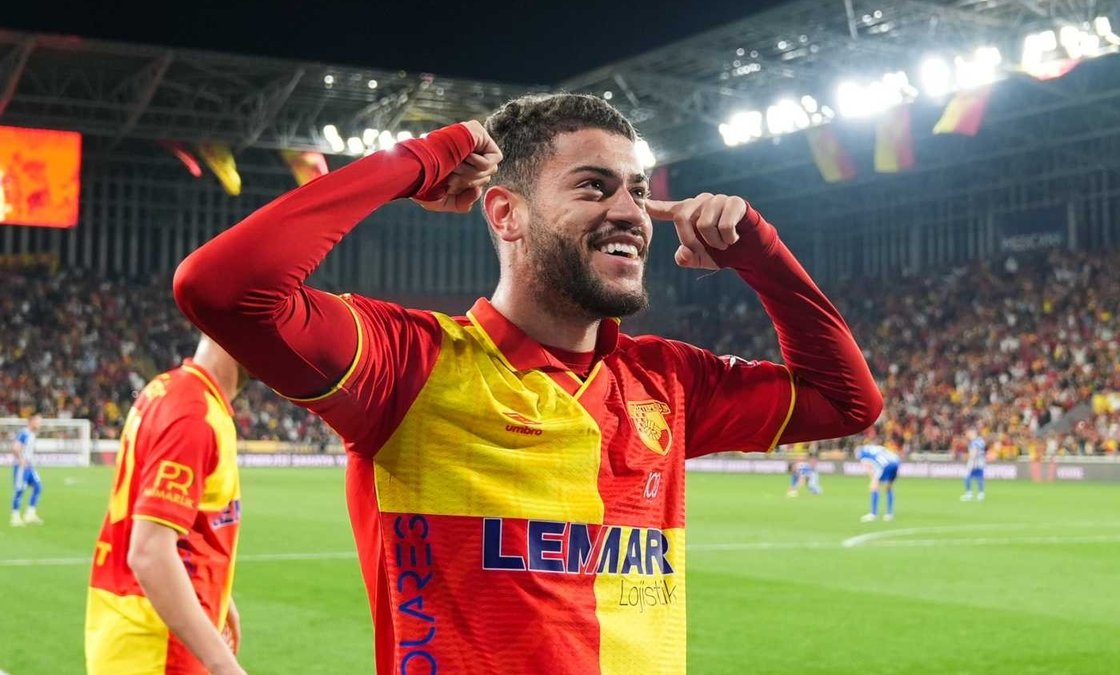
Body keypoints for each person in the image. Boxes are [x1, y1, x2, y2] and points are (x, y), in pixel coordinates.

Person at [174, 93, 882, 674]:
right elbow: (221, 289)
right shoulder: (411, 365)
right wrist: (418, 159)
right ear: (506, 213)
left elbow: (846, 401)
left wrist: (758, 251)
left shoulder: (667, 380)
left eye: (638, 191)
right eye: (593, 186)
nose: (631, 213)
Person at [85, 336, 250, 675]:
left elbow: (187, 527)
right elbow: (149, 552)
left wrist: (220, 597)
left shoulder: (169, 389)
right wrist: (225, 666)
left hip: (135, 630)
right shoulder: (193, 414)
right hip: (158, 647)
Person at [10, 412, 43, 526]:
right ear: (32, 421)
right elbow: (15, 448)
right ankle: (15, 517)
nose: (40, 423)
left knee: (38, 487)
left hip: (29, 467)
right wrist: (21, 460)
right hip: (21, 467)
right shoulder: (24, 433)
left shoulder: (32, 434)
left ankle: (30, 514)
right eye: (38, 421)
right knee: (19, 490)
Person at [855, 442, 901, 522]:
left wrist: (873, 479)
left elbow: (868, 467)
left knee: (873, 487)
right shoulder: (873, 447)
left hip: (885, 465)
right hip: (896, 462)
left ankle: (873, 514)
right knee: (889, 487)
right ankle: (889, 514)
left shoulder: (862, 453)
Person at [962, 429, 987, 501]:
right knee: (979, 478)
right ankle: (981, 494)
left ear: (973, 434)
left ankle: (969, 494)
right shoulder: (981, 441)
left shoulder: (974, 443)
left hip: (974, 463)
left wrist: (968, 459)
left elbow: (973, 453)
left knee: (967, 477)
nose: (968, 436)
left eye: (969, 434)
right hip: (981, 462)